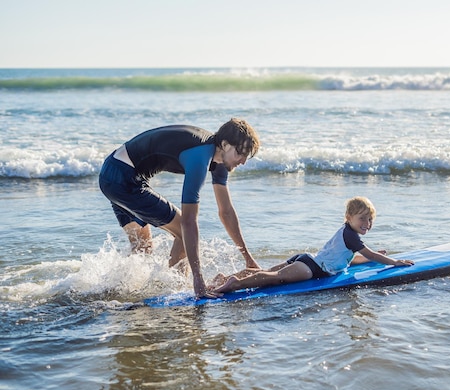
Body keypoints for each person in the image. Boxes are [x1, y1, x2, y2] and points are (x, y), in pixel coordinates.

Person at [99, 118, 261, 298]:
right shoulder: (201, 157)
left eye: (247, 156)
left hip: (111, 173)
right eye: (241, 153)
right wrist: (198, 280)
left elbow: (226, 212)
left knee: (143, 248)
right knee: (184, 233)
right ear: (225, 144)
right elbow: (189, 222)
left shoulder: (220, 160)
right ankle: (176, 291)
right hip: (123, 178)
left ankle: (113, 291)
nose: (244, 161)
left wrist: (248, 258)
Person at [214, 196, 414, 294]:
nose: (367, 224)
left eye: (370, 220)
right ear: (349, 217)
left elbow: (352, 260)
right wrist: (394, 262)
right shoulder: (352, 237)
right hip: (311, 269)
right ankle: (235, 283)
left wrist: (372, 256)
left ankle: (224, 279)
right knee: (275, 278)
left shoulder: (346, 233)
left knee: (269, 272)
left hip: (307, 260)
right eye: (362, 218)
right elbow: (371, 255)